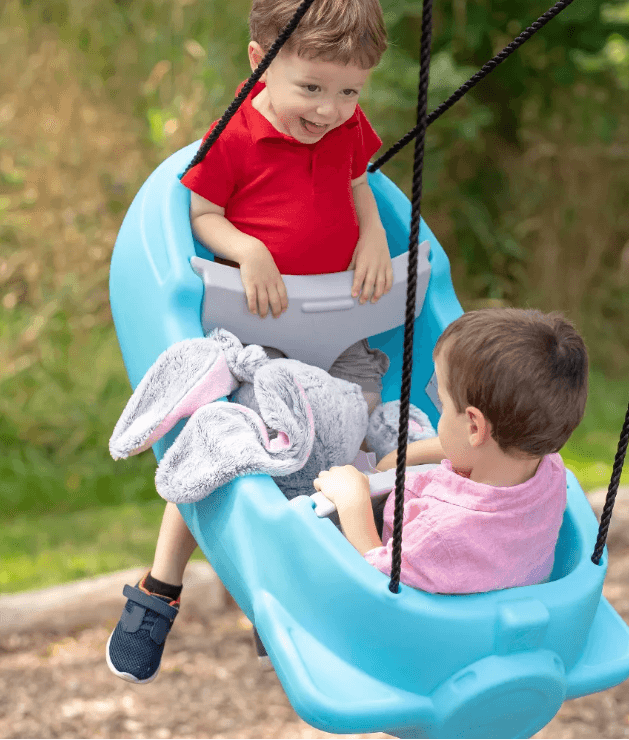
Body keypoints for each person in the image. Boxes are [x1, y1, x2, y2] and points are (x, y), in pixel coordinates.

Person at [106, 0, 390, 684]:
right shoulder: (233, 134)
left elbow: (360, 183)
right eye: (312, 88)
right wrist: (248, 249)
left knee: (351, 434)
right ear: (261, 62)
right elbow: (202, 214)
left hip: (339, 335)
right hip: (262, 339)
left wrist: (375, 237)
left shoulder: (347, 128)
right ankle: (160, 587)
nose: (329, 110)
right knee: (225, 445)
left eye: (349, 92)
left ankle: (296, 581)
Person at [314, 308, 589, 594]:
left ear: (475, 427)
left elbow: (382, 578)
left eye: (443, 404)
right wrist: (409, 453)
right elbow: (485, 447)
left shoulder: (439, 533)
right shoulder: (548, 468)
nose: (441, 412)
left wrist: (353, 501)